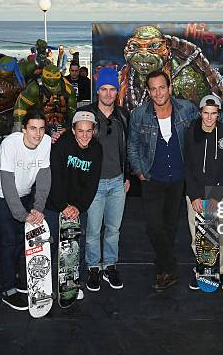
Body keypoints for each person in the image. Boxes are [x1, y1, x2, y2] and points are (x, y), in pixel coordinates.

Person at [128, 70, 200, 291]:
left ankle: (163, 269)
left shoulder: (186, 109)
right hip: (151, 178)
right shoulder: (140, 114)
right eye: (153, 89)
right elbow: (133, 145)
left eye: (162, 87)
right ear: (148, 92)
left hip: (178, 178)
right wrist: (139, 171)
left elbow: (206, 127)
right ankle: (170, 265)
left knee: (169, 226)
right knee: (152, 226)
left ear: (170, 88)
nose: (158, 93)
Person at [0, 109, 52, 310]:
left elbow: (44, 178)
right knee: (8, 239)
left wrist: (38, 208)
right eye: (32, 128)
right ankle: (8, 289)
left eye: (41, 129)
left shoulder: (46, 142)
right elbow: (7, 183)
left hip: (23, 194)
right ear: (24, 129)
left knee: (20, 240)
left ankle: (14, 276)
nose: (37, 134)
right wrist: (23, 215)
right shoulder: (11, 144)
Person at [78, 68, 130, 292]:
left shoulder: (123, 116)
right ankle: (93, 268)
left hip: (118, 182)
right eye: (104, 89)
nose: (108, 94)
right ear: (97, 91)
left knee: (113, 229)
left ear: (117, 92)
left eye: (112, 90)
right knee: (92, 230)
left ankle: (109, 265)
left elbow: (128, 148)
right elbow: (75, 141)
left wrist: (127, 177)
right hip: (94, 183)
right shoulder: (85, 115)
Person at [45, 111, 103, 300]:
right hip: (55, 204)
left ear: (93, 131)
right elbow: (54, 179)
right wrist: (63, 206)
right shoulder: (61, 145)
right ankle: (49, 286)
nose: (85, 135)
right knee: (53, 246)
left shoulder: (97, 149)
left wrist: (78, 207)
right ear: (73, 130)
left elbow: (92, 184)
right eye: (81, 131)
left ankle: (72, 284)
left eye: (89, 131)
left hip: (78, 206)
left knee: (75, 247)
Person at [184, 94, 223, 292]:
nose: (209, 117)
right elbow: (187, 165)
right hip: (196, 194)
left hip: (219, 194)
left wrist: (216, 196)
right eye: (206, 113)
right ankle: (203, 270)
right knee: (198, 235)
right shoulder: (190, 132)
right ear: (200, 113)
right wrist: (194, 195)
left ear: (218, 114)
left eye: (213, 114)